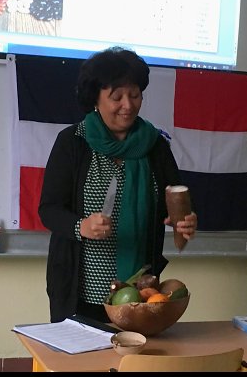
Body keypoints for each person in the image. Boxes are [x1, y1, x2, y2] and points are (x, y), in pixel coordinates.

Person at [38, 47, 197, 323]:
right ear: (95, 99)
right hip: (80, 291)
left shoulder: (155, 145)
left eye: (134, 95)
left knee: (136, 351)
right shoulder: (73, 142)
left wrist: (183, 220)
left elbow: (174, 200)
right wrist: (81, 226)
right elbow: (49, 209)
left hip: (140, 292)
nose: (128, 105)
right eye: (117, 97)